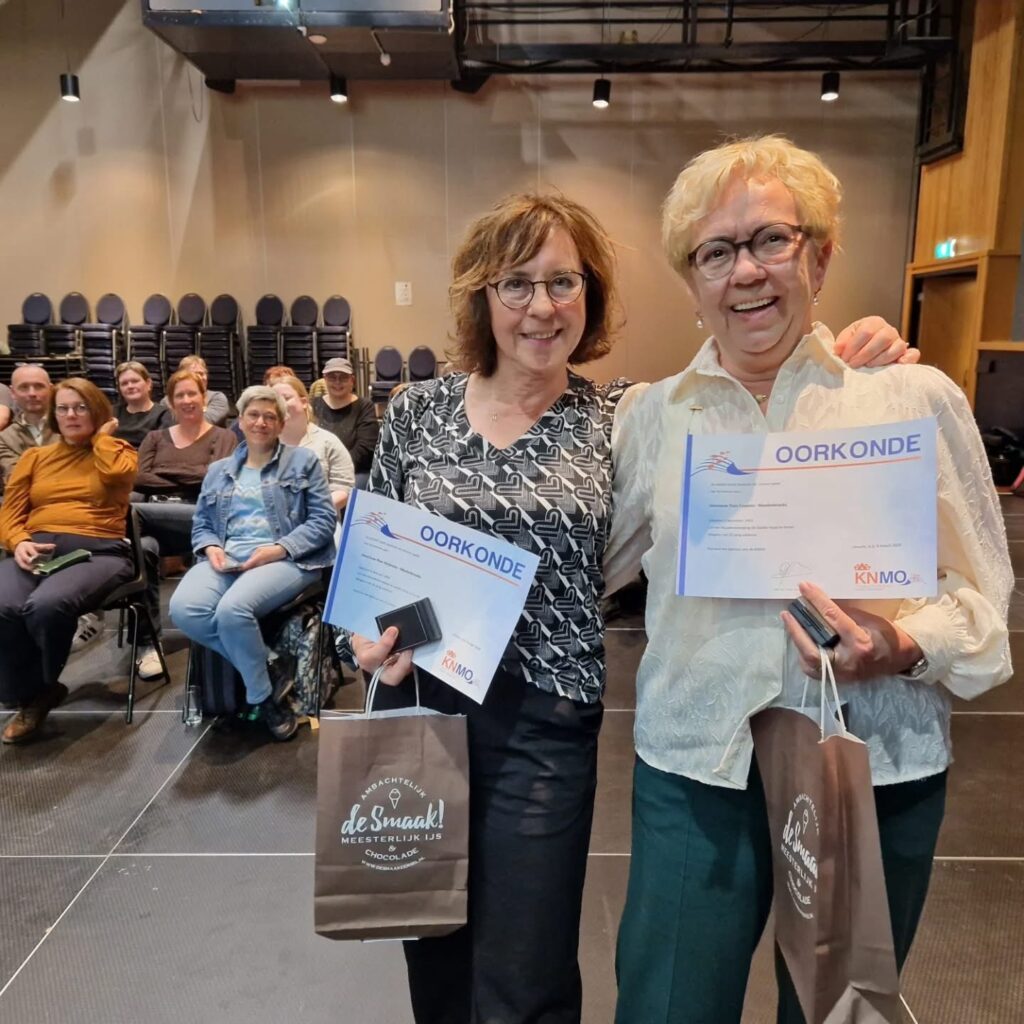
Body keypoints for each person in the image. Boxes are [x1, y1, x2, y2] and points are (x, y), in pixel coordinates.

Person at [345, 192, 913, 1024]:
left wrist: (846, 359)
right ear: (482, 296)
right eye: (516, 284)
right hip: (423, 701)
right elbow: (375, 559)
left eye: (563, 282)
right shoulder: (417, 411)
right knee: (432, 947)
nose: (541, 307)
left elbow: (750, 406)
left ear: (591, 295)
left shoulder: (621, 417)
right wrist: (367, 641)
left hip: (543, 718)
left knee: (526, 969)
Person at [606, 136, 1013, 1024]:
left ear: (819, 258)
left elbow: (984, 600)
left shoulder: (909, 399)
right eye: (716, 252)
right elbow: (582, 568)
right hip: (697, 769)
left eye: (770, 240)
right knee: (667, 1008)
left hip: (871, 769)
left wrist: (902, 643)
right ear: (692, 283)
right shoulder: (652, 419)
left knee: (836, 1014)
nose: (746, 271)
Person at [168, 385, 336, 742]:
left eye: (270, 417)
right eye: (253, 415)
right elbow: (202, 524)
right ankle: (271, 670)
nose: (261, 422)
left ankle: (263, 699)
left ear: (280, 424)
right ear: (240, 421)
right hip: (227, 558)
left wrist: (278, 549)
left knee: (233, 611)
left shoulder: (302, 462)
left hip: (288, 558)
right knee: (184, 609)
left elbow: (323, 522)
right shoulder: (218, 470)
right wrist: (211, 547)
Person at [0, 379, 138, 744]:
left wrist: (103, 438)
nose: (71, 415)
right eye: (63, 408)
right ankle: (34, 694)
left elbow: (118, 476)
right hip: (38, 549)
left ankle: (39, 687)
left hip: (99, 551)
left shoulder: (118, 450)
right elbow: (10, 514)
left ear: (97, 411)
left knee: (47, 605)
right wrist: (19, 541)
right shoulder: (35, 457)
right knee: (3, 604)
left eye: (81, 407)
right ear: (53, 414)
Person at [133, 369, 238, 678]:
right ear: (169, 402)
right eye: (179, 395)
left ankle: (210, 628)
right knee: (142, 548)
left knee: (132, 514)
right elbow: (139, 478)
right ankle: (147, 644)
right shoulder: (154, 438)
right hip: (154, 519)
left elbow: (216, 478)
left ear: (203, 398)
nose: (187, 400)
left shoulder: (224, 436)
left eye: (193, 393)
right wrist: (193, 474)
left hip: (202, 516)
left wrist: (164, 473)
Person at [272, 376, 354, 512]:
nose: (280, 405)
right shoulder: (261, 444)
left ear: (303, 402)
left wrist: (310, 511)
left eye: (286, 398)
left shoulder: (328, 442)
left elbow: (343, 488)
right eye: (274, 401)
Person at [310, 357, 379, 475]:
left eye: (343, 377)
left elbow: (365, 449)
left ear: (352, 380)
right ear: (325, 379)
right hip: (318, 471)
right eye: (332, 377)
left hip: (355, 471)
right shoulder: (314, 405)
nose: (337, 382)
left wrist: (336, 469)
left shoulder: (364, 406)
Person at [0, 364, 55, 492]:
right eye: (24, 387)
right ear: (13, 393)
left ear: (51, 390)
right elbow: (16, 480)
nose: (32, 393)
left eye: (39, 386)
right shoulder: (5, 439)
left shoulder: (70, 427)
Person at [112, 361, 173, 448]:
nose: (130, 386)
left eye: (135, 381)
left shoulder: (164, 415)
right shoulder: (112, 413)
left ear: (148, 384)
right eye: (124, 383)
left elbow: (163, 449)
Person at [160, 355, 230, 426]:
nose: (200, 378)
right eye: (194, 374)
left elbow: (205, 421)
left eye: (202, 374)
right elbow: (168, 422)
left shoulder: (217, 398)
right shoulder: (167, 401)